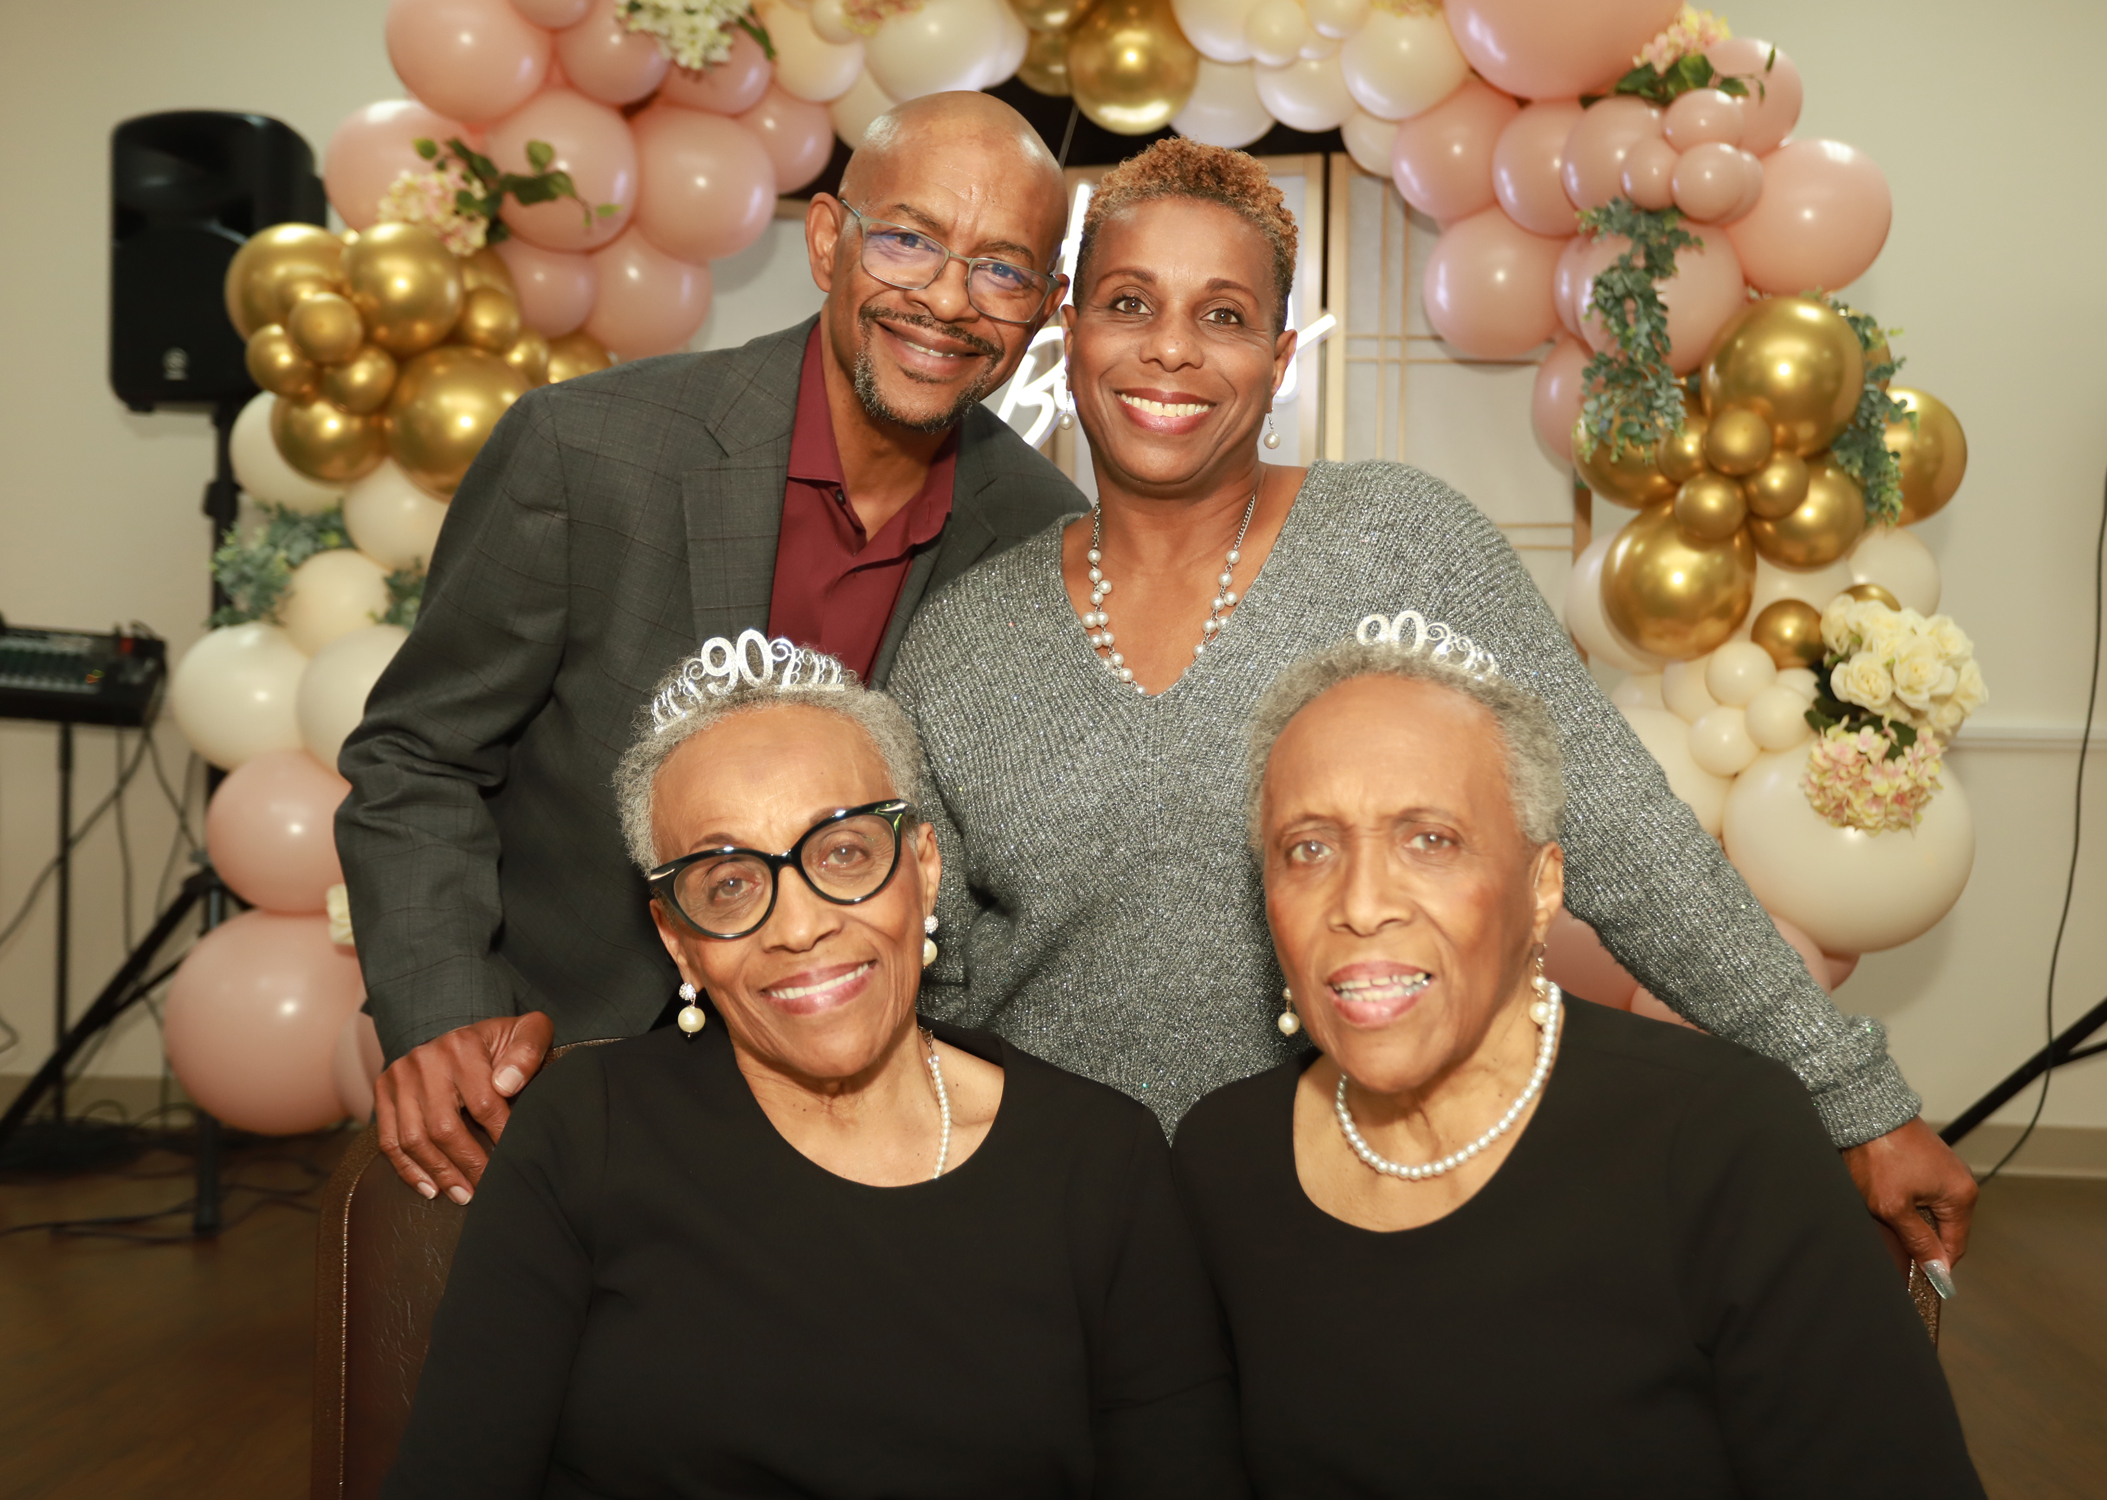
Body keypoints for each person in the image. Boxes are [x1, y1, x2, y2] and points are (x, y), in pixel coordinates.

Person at [885, 137, 1976, 1271]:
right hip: (1062, 1236)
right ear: (1070, 329)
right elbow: (925, 986)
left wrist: (1856, 1099)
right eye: (1128, 302)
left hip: (1358, 1215)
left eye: (1222, 315)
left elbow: (1630, 841)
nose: (1169, 349)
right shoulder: (967, 638)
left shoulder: (1400, 547)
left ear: (1278, 352)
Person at [337, 92, 1089, 1203]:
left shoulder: (1040, 534)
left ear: (1045, 308)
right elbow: (417, 759)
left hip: (854, 1108)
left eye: (1002, 269)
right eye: (908, 240)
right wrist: (440, 1007)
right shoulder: (586, 453)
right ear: (828, 239)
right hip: (551, 1077)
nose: (945, 299)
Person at [382, 636, 1246, 1499]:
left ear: (924, 868)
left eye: (843, 853)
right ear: (677, 941)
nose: (798, 928)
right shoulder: (585, 1128)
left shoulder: (1101, 1159)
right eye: (728, 883)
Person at [1168, 625, 1986, 1498]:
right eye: (1309, 848)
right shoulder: (1225, 1155)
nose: (1361, 903)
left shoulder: (1722, 1139)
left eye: (1430, 839)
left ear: (1541, 887)